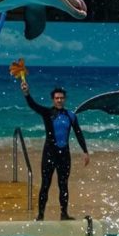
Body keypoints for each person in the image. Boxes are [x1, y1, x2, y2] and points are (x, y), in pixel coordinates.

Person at [22, 82, 89, 221]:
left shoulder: (71, 115)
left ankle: (64, 214)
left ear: (64, 99)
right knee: (45, 184)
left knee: (63, 185)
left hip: (64, 155)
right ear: (53, 99)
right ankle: (40, 215)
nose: (59, 100)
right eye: (57, 98)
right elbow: (33, 105)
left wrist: (85, 151)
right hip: (49, 154)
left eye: (61, 98)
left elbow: (78, 133)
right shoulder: (47, 113)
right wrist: (27, 93)